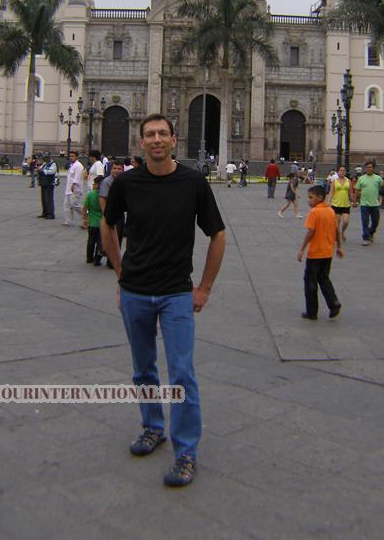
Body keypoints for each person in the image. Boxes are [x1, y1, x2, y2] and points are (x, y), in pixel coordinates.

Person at [101, 114, 226, 488]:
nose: (156, 140)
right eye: (149, 135)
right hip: (136, 291)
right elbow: (107, 225)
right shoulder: (126, 183)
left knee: (182, 374)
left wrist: (203, 288)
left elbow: (217, 234)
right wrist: (120, 272)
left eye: (162, 134)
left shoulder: (193, 183)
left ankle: (185, 450)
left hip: (176, 293)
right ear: (142, 142)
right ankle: (153, 427)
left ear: (174, 139)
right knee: (143, 369)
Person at [297, 184, 343, 320]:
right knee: (324, 278)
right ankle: (334, 303)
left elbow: (310, 232)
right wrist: (339, 247)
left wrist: (301, 249)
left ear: (320, 197)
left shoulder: (314, 212)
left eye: (311, 198)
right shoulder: (330, 211)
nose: (309, 200)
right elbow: (336, 231)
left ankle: (312, 312)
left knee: (310, 282)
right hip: (328, 253)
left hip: (315, 253)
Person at [99, 159, 125, 267]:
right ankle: (110, 261)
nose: (116, 171)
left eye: (119, 169)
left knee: (118, 237)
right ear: (110, 170)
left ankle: (113, 261)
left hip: (120, 214)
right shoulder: (107, 182)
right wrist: (106, 215)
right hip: (110, 214)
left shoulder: (123, 181)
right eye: (114, 168)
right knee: (110, 238)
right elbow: (102, 198)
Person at [353, 160, 382, 246]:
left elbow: (382, 189)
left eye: (370, 167)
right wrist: (354, 201)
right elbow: (357, 191)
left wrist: (381, 198)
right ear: (365, 169)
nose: (369, 169)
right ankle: (365, 238)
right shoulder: (361, 179)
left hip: (375, 204)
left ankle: (371, 232)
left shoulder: (378, 178)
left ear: (373, 168)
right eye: (367, 168)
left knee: (375, 221)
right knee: (365, 221)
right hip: (364, 204)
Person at [82, 175, 104, 265]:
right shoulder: (105, 195)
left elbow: (84, 208)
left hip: (92, 221)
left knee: (91, 240)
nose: (93, 185)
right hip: (101, 222)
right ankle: (97, 259)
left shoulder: (90, 194)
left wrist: (85, 218)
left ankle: (89, 258)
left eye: (94, 183)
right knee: (100, 241)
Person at [327, 164, 351, 242]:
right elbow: (331, 192)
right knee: (337, 222)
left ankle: (342, 232)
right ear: (338, 172)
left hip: (345, 204)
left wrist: (354, 201)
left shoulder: (348, 181)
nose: (342, 172)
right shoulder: (334, 181)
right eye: (341, 170)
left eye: (344, 170)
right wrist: (329, 202)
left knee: (346, 221)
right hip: (336, 204)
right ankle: (336, 235)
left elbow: (350, 193)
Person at [63, 151, 85, 226]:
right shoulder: (72, 165)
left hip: (75, 189)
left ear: (77, 157)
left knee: (74, 204)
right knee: (66, 205)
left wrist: (73, 184)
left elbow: (77, 177)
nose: (71, 158)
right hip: (68, 189)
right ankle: (67, 221)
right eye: (70, 156)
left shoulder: (79, 166)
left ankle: (85, 215)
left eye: (73, 156)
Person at [38, 152, 57, 219]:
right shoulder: (44, 163)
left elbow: (52, 171)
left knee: (48, 198)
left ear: (49, 157)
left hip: (49, 183)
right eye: (45, 157)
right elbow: (40, 168)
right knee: (43, 198)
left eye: (47, 157)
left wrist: (43, 171)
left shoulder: (53, 164)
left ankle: (50, 213)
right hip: (43, 183)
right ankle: (45, 212)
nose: (45, 158)